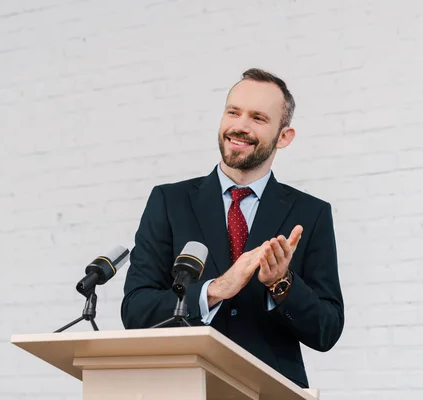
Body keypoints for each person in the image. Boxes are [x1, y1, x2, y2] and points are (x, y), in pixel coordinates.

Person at [121, 68, 344, 388]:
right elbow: (135, 311)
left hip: (271, 392)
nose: (240, 126)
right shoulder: (169, 202)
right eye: (233, 112)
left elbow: (327, 331)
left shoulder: (310, 213)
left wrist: (282, 284)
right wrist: (215, 289)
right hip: (182, 388)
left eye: (257, 118)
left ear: (284, 137)